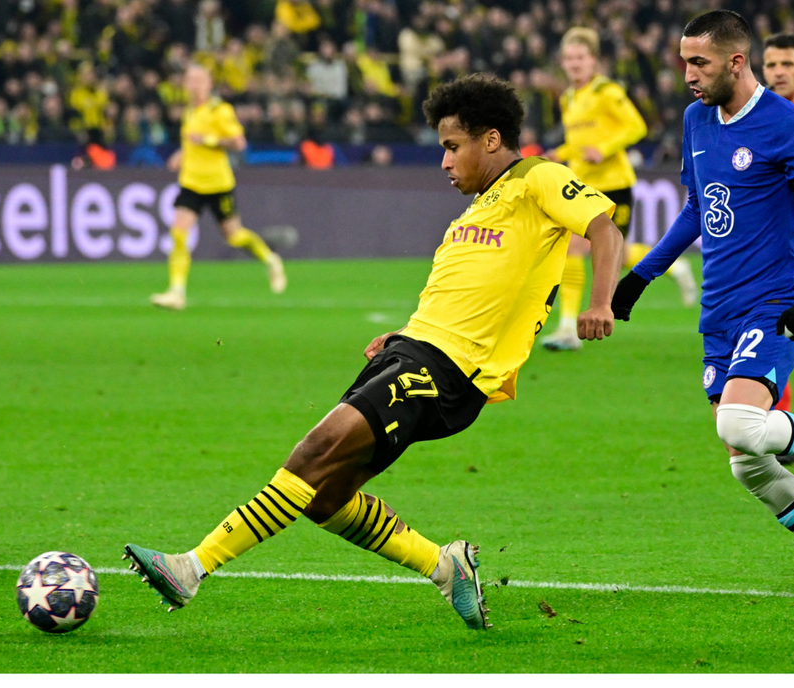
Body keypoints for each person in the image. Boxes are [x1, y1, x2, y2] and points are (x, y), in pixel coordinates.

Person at [125, 74, 623, 629]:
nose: (444, 162)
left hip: (450, 371)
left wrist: (599, 302)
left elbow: (605, 229)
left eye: (452, 146)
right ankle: (445, 566)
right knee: (325, 496)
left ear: (490, 140)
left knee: (314, 451)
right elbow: (467, 290)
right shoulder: (473, 213)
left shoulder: (538, 178)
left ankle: (191, 568)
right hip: (414, 351)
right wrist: (403, 333)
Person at [612, 11, 794, 549]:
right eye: (684, 62)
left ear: (736, 62)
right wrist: (641, 276)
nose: (688, 75)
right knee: (747, 464)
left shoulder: (786, 125)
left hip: (772, 300)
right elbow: (698, 208)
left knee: (740, 424)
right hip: (718, 310)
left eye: (699, 62)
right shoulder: (696, 120)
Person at [543, 27, 697, 351]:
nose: (574, 64)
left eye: (580, 57)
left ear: (593, 60)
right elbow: (578, 142)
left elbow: (636, 126)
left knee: (615, 253)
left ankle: (674, 266)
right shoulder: (569, 97)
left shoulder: (607, 91)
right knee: (575, 248)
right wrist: (560, 153)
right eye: (569, 58)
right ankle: (568, 328)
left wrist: (604, 148)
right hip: (583, 185)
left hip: (614, 184)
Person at [150, 64, 286, 310]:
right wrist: (181, 154)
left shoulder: (219, 110)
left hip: (217, 184)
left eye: (199, 81)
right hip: (191, 182)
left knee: (234, 236)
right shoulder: (189, 112)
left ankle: (271, 259)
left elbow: (239, 143)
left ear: (208, 84)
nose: (194, 85)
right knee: (178, 233)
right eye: (190, 80)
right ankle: (176, 292)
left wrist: (207, 139)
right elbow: (191, 143)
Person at [761, 32, 794, 463]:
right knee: (777, 326)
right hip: (785, 239)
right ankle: (779, 425)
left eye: (787, 64)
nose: (778, 72)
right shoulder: (758, 115)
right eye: (771, 65)